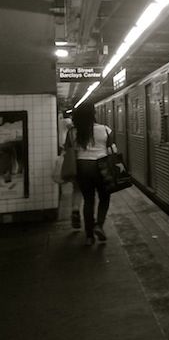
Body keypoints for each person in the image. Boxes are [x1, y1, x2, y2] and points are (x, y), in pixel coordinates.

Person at [66, 102, 114, 245]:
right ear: (93, 114)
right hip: (102, 167)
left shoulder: (72, 132)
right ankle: (99, 225)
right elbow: (113, 149)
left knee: (88, 200)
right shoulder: (105, 130)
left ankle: (89, 237)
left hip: (82, 167)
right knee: (104, 198)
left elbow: (68, 152)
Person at [59, 114, 82, 229]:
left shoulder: (71, 132)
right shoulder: (94, 129)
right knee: (90, 192)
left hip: (75, 164)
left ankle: (75, 209)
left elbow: (67, 147)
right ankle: (92, 219)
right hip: (90, 164)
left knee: (77, 189)